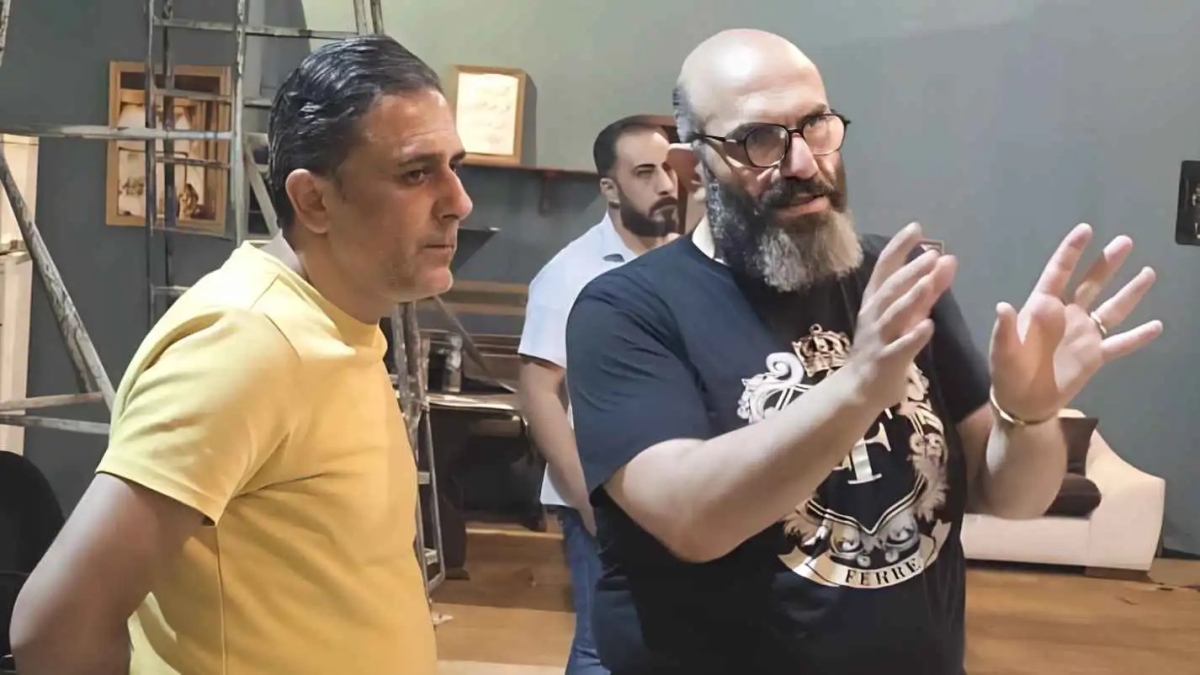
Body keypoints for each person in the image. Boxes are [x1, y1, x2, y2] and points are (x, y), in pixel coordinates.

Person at [564, 29, 1163, 675]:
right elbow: (691, 521)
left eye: (816, 125)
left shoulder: (896, 279)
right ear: (695, 164)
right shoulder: (625, 309)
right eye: (759, 138)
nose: (802, 162)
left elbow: (1012, 498)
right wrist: (858, 386)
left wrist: (1029, 416)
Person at [9, 35, 471, 675]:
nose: (458, 201)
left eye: (454, 166)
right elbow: (59, 625)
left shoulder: (335, 325)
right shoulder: (247, 344)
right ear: (313, 200)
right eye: (416, 173)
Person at [517, 116, 679, 675]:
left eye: (669, 168)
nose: (666, 184)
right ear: (610, 187)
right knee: (599, 650)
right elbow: (539, 391)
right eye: (645, 172)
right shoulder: (571, 274)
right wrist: (588, 504)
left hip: (677, 489)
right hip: (602, 496)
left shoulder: (687, 262)